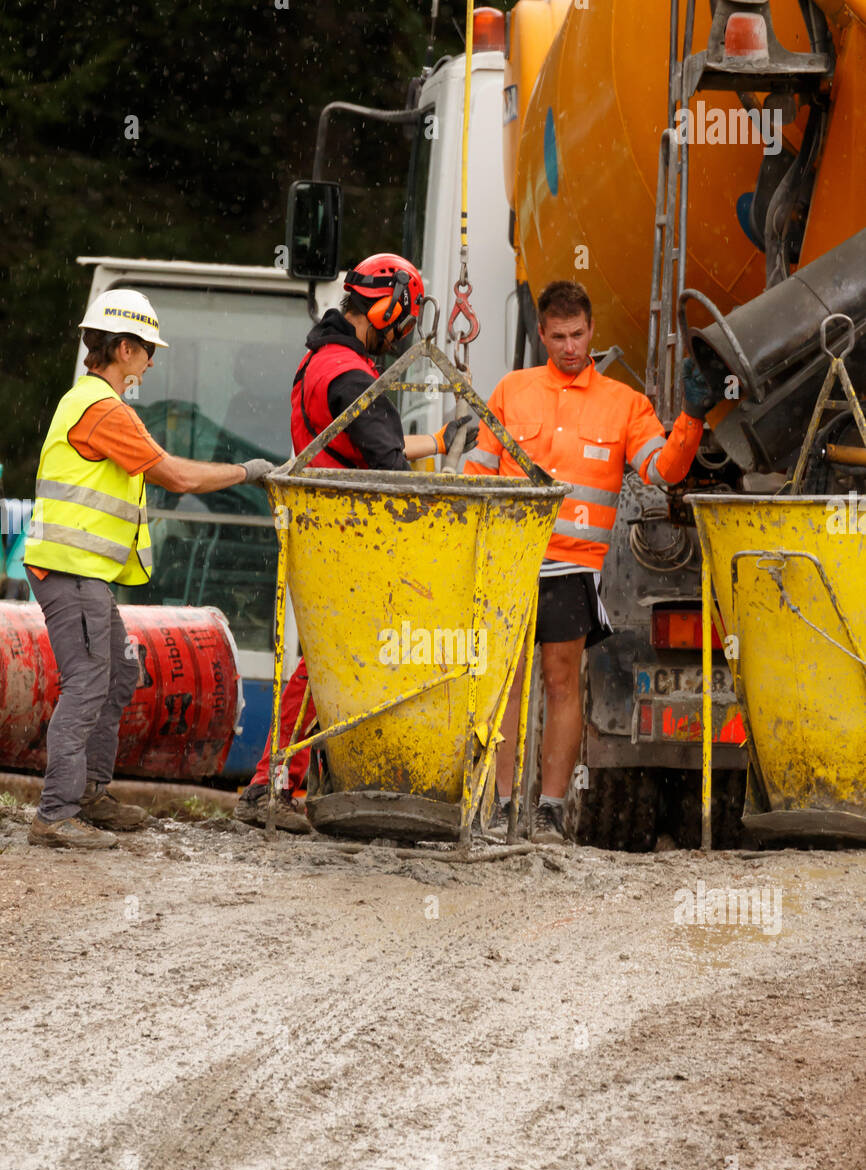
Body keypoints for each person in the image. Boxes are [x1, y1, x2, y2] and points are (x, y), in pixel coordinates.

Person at [463, 279, 716, 845]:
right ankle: (500, 807)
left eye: (578, 335)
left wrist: (692, 417)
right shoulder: (510, 391)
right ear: (542, 333)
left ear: (592, 331)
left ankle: (549, 812)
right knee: (504, 686)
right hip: (507, 559)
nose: (570, 347)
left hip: (572, 568)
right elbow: (476, 477)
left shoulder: (626, 405)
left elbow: (664, 471)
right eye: (558, 336)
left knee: (561, 684)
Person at [234, 253, 479, 828]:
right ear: (388, 306)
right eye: (406, 316)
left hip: (327, 536)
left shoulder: (323, 361)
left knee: (324, 664)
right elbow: (385, 467)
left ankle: (281, 782)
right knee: (326, 666)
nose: (405, 329)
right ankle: (275, 784)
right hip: (353, 539)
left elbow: (359, 444)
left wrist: (440, 441)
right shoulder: (351, 374)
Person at [24, 288, 273, 850]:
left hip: (80, 570)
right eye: (148, 350)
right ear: (125, 348)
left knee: (114, 677)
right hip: (71, 570)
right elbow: (176, 477)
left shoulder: (88, 401)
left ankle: (88, 792)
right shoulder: (105, 409)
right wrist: (244, 472)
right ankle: (56, 815)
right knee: (89, 683)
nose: (152, 362)